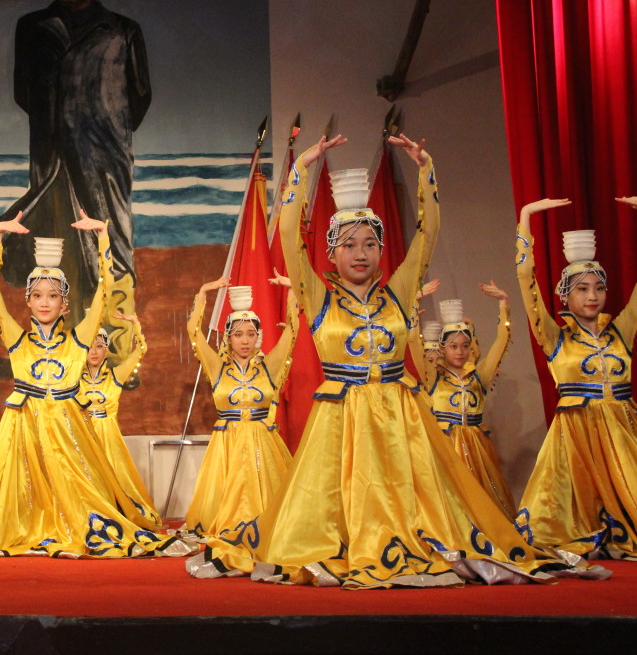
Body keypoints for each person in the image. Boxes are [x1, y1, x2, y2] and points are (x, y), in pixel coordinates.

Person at [248, 133, 604, 588]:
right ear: (332, 252)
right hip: (341, 420)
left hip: (401, 417)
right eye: (350, 245)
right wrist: (301, 170)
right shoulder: (318, 297)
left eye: (370, 244)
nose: (361, 254)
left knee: (418, 503)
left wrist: (425, 169)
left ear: (381, 250)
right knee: (341, 506)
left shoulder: (398, 292)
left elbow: (427, 234)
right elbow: (288, 239)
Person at [0, 211, 187, 557]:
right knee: (18, 489)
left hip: (66, 428)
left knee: (77, 492)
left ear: (64, 303)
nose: (45, 302)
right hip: (22, 427)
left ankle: (69, 526)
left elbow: (105, 291)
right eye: (38, 295)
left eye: (53, 296)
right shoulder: (16, 339)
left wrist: (103, 237)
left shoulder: (79, 339)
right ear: (28, 300)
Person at [0, 0, 150, 355]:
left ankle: (117, 349)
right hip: (50, 154)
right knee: (56, 240)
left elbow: (139, 95)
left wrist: (102, 125)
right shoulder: (32, 27)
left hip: (106, 155)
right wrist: (59, 125)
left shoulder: (122, 29)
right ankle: (63, 349)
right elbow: (24, 91)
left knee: (112, 243)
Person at [514, 197, 637, 559]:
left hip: (621, 431)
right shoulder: (555, 337)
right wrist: (526, 217)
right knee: (562, 515)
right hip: (576, 436)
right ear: (565, 295)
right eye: (582, 289)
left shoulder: (621, 332)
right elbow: (526, 282)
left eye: (598, 288)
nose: (592, 296)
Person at [185, 275, 298, 578]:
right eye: (238, 335)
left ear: (258, 337)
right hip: (228, 446)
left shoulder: (270, 366)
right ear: (228, 338)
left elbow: (292, 333)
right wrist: (203, 292)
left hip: (263, 444)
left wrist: (291, 293)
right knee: (229, 503)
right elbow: (194, 332)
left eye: (250, 334)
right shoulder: (217, 367)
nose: (245, 341)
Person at [419, 283, 517, 520]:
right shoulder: (434, 377)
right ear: (443, 348)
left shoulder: (479, 375)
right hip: (446, 446)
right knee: (451, 501)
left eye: (465, 346)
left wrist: (503, 305)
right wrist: (414, 306)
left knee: (484, 499)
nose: (460, 352)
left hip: (476, 447)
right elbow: (413, 344)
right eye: (453, 346)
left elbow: (500, 343)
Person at [77, 310, 158, 524]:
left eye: (99, 346)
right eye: (89, 347)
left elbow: (141, 350)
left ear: (106, 350)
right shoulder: (75, 379)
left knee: (115, 478)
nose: (94, 352)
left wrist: (135, 323)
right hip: (84, 435)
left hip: (108, 435)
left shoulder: (116, 376)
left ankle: (117, 519)